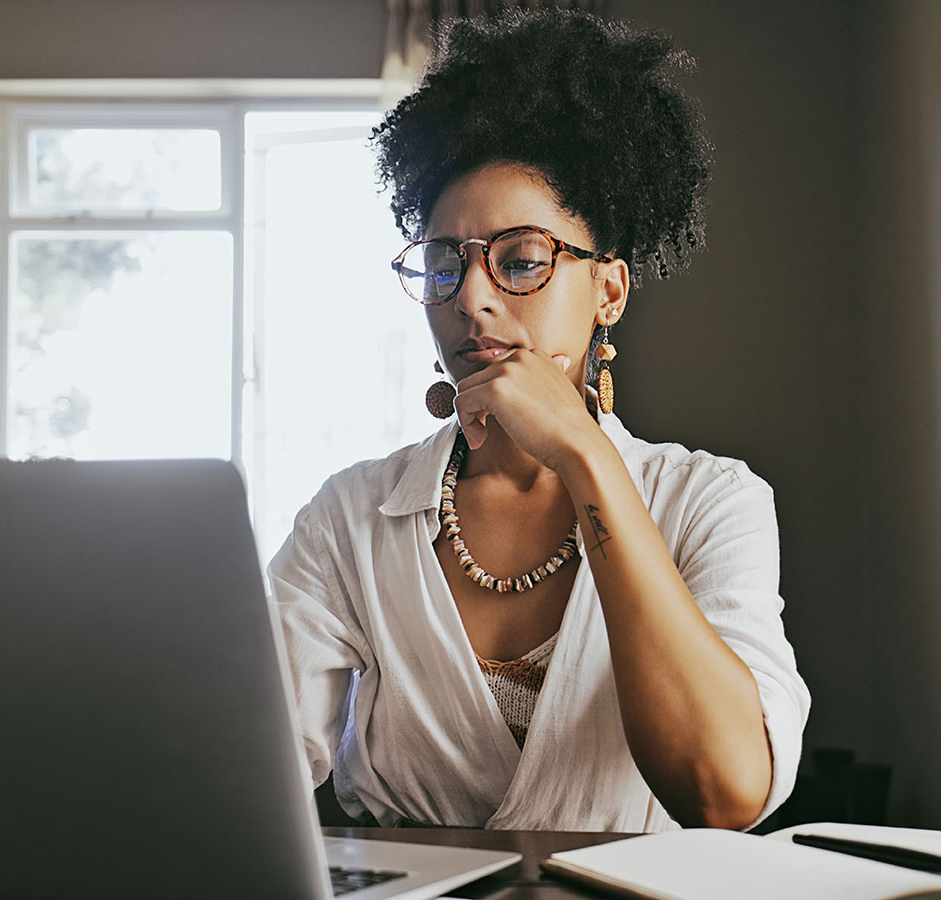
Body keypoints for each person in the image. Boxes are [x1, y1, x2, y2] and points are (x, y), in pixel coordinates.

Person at [267, 8, 810, 833]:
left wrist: (586, 457)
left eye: (521, 261)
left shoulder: (711, 502)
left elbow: (723, 791)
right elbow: (242, 766)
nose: (472, 299)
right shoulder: (350, 519)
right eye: (446, 265)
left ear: (609, 292)